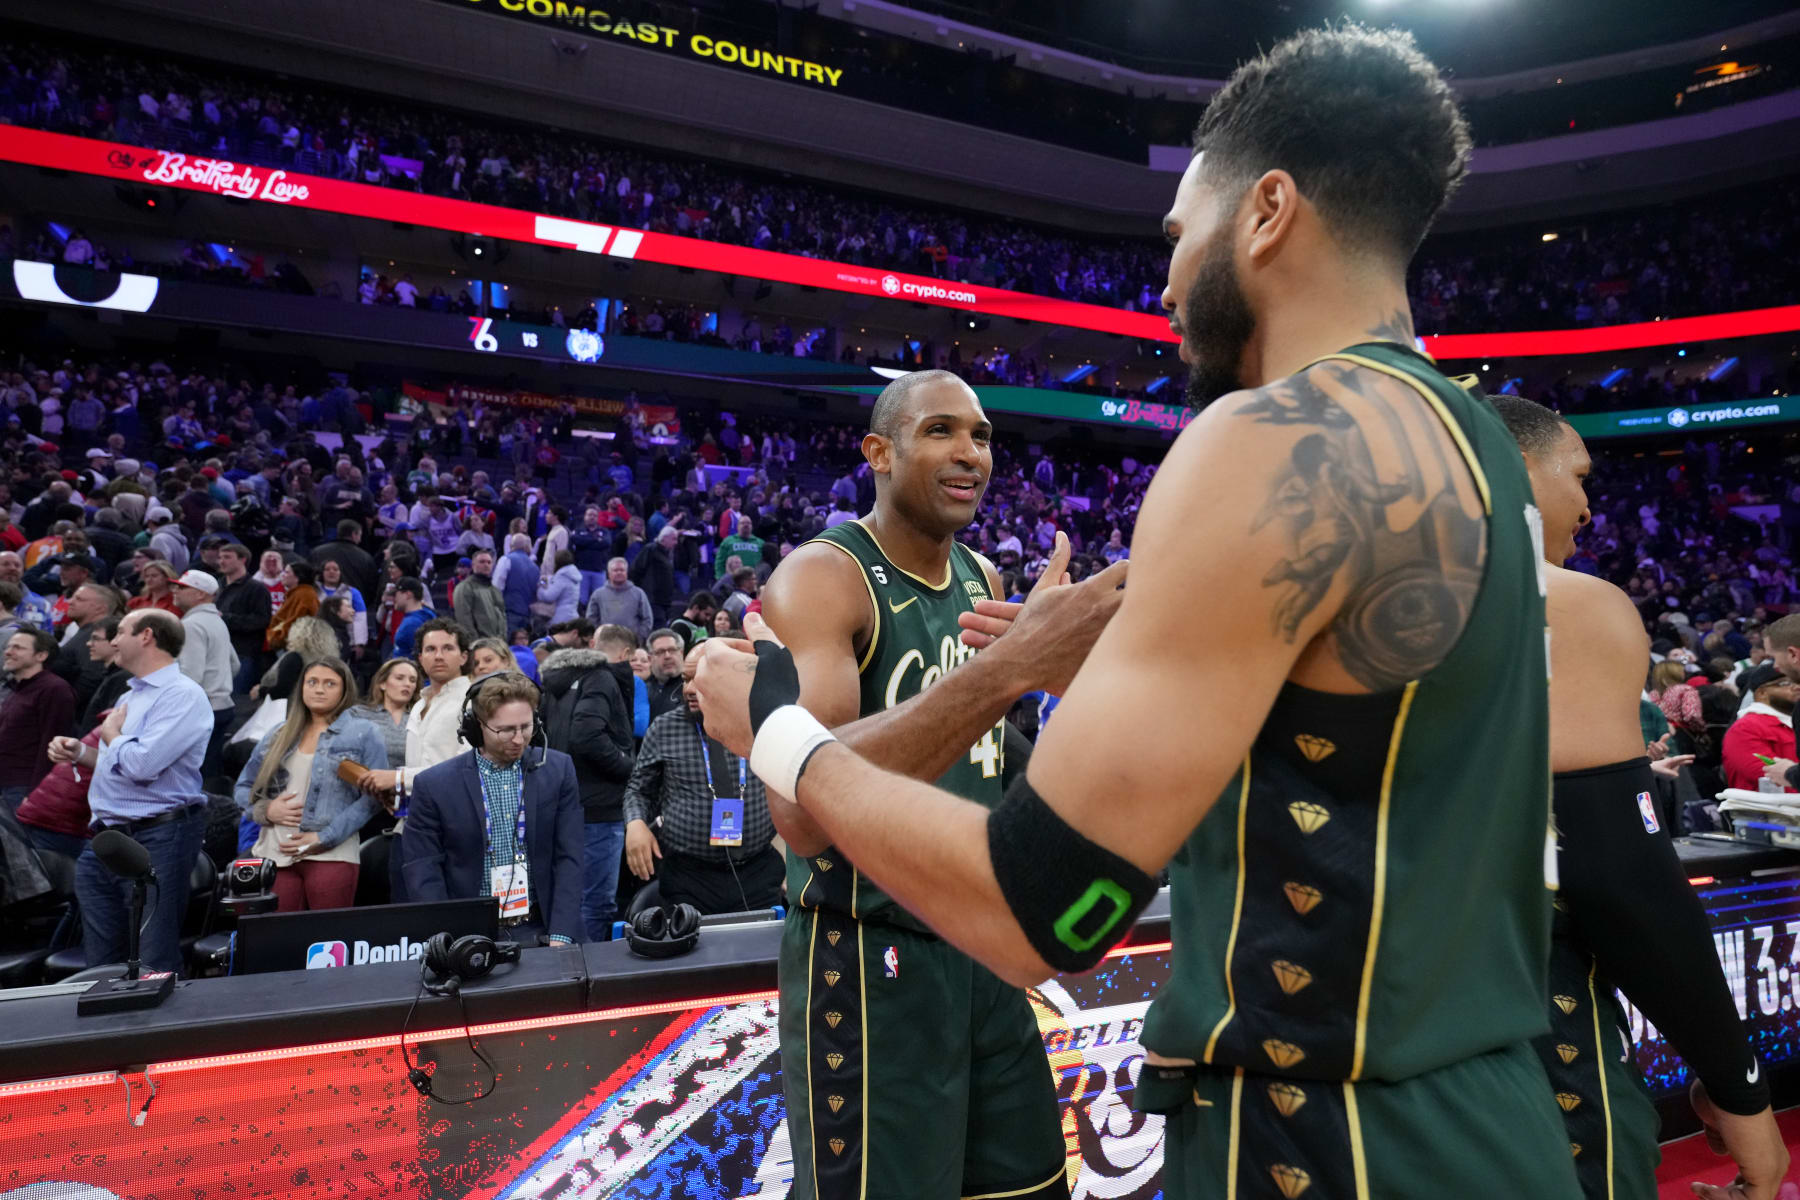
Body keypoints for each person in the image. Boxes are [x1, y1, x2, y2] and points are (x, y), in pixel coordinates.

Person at [698, 27, 1579, 1198]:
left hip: (1328, 1134)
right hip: (1495, 1109)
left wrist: (773, 735)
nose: (1164, 284)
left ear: (1265, 212)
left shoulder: (1273, 440)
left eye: (1176, 236)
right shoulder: (1490, 450)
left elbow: (1042, 908)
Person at [693, 369, 1124, 1200]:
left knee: (1032, 1188)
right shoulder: (823, 579)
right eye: (941, 431)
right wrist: (1007, 671)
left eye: (983, 435)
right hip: (868, 953)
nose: (970, 453)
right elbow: (804, 812)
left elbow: (992, 765)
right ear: (879, 453)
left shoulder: (984, 580)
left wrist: (1068, 686)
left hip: (984, 950)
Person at [1495, 394, 1787, 1200]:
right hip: (1514, 1054)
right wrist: (1740, 1087)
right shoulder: (1563, 605)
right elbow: (1619, 874)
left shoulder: (1298, 590)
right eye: (1579, 477)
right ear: (1513, 466)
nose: (1590, 506)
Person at [49, 609, 212, 976]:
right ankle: (107, 1034)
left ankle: (162, 1034)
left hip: (158, 837)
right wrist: (81, 753)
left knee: (153, 961)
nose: (113, 640)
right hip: (105, 840)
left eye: (120, 631)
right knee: (102, 968)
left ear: (146, 636)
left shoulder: (183, 695)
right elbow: (121, 760)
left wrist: (112, 737)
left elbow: (142, 765)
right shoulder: (131, 694)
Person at [401, 671, 584, 945]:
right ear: (475, 728)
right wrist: (447, 939)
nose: (519, 739)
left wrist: (560, 935)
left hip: (543, 930)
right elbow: (423, 870)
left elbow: (570, 856)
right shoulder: (433, 785)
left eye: (526, 726)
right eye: (506, 730)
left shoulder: (559, 769)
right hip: (468, 935)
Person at [625, 643, 783, 916]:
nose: (687, 689)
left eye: (699, 679)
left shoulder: (766, 722)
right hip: (688, 876)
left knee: (760, 953)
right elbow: (639, 789)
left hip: (758, 871)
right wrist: (635, 823)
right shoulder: (665, 728)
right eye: (686, 679)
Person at [235, 658, 386, 911]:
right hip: (275, 853)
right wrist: (266, 810)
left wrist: (324, 837)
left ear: (344, 689)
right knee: (281, 940)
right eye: (312, 682)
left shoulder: (364, 732)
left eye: (330, 683)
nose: (319, 689)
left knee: (328, 943)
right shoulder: (277, 734)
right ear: (302, 687)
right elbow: (242, 788)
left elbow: (375, 798)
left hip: (331, 854)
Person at [356, 618, 476, 904]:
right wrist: (395, 792)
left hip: (452, 829)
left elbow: (466, 767)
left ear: (463, 656)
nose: (438, 655)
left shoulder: (472, 701)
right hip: (407, 825)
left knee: (443, 919)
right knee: (405, 920)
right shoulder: (419, 704)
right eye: (430, 649)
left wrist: (396, 778)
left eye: (447, 648)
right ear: (419, 657)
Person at [540, 635, 636, 940]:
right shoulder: (600, 678)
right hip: (600, 807)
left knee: (568, 898)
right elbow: (586, 735)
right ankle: (589, 976)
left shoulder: (555, 683)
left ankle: (566, 971)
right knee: (595, 904)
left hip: (562, 802)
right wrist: (629, 768)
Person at [172, 569, 239, 775]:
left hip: (201, 710)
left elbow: (191, 676)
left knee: (193, 776)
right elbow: (234, 665)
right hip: (222, 706)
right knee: (209, 772)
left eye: (183, 587)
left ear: (200, 594)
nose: (176, 590)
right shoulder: (217, 621)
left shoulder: (192, 624)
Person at [0, 626, 76, 808]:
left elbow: (52, 743)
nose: (9, 652)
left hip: (23, 789)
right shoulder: (16, 688)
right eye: (8, 647)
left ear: (41, 656)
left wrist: (36, 792)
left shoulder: (54, 689)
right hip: (7, 785)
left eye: (18, 648)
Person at [1723, 664, 1798, 792]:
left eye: (1797, 681)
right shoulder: (1746, 728)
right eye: (1785, 683)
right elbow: (1769, 776)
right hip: (1773, 810)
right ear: (1762, 693)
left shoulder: (1792, 720)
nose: (1797, 687)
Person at [52, 581, 123, 713]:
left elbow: (93, 675)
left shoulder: (94, 635)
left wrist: (65, 705)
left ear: (100, 608)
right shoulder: (83, 632)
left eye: (79, 599)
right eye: (72, 597)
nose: (70, 602)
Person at [216, 542, 273, 696]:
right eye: (220, 557)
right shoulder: (217, 586)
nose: (221, 561)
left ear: (242, 560)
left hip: (244, 655)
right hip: (218, 654)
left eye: (227, 557)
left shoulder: (257, 588)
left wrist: (225, 618)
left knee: (237, 701)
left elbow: (262, 620)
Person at [357, 657, 420, 778]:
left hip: (409, 791)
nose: (407, 684)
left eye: (412, 680)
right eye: (399, 678)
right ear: (383, 683)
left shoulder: (421, 718)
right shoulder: (359, 714)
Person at [310, 518, 379, 605]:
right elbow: (372, 587)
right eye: (360, 535)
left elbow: (309, 578)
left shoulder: (317, 552)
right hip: (353, 606)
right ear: (354, 534)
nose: (360, 540)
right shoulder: (365, 558)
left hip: (320, 604)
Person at [586, 557, 653, 644]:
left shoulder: (638, 593)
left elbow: (647, 619)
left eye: (622, 570)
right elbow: (591, 618)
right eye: (615, 570)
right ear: (609, 573)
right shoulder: (598, 594)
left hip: (632, 642)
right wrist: (599, 636)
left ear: (626, 572)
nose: (619, 572)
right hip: (605, 642)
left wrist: (639, 637)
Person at [453, 549, 508, 641]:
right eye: (482, 562)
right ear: (473, 565)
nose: (486, 565)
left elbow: (503, 617)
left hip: (497, 644)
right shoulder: (464, 588)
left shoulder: (495, 590)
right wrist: (477, 643)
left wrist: (502, 640)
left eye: (489, 562)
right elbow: (464, 619)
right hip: (478, 644)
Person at [266, 560, 319, 652]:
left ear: (297, 577)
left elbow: (296, 622)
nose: (282, 575)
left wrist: (277, 637)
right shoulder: (297, 594)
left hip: (296, 648)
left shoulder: (304, 595)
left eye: (287, 572)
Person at [492, 533, 538, 635]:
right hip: (526, 615)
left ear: (511, 545)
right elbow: (536, 594)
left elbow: (497, 586)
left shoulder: (506, 559)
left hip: (508, 613)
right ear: (527, 547)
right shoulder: (535, 567)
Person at [644, 627, 686, 719]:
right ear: (650, 659)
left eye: (672, 650)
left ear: (681, 653)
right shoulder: (643, 689)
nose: (667, 656)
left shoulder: (692, 686)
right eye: (660, 652)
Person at [390, 577, 435, 660]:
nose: (393, 598)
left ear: (408, 594)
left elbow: (421, 658)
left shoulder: (412, 623)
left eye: (395, 594)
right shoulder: (425, 614)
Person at [537, 550, 582, 626]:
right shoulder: (572, 574)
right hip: (572, 616)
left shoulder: (562, 576)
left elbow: (549, 597)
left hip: (561, 619)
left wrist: (541, 587)